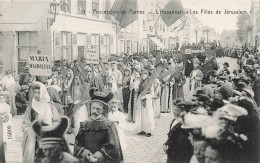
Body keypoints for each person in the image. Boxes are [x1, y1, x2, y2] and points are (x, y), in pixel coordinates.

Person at [74, 88, 123, 163]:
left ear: (103, 110)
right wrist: (86, 153)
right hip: (87, 160)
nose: (95, 111)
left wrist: (99, 154)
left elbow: (112, 145)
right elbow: (78, 143)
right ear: (90, 107)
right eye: (93, 108)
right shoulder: (84, 124)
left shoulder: (108, 125)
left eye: (98, 109)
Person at [22, 82, 60, 163]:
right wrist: (31, 132)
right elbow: (25, 122)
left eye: (38, 93)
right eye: (35, 92)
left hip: (47, 138)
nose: (36, 95)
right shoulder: (30, 107)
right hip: (33, 139)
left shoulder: (50, 107)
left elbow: (56, 121)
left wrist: (49, 130)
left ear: (43, 93)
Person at [135, 69, 155, 137]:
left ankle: (149, 130)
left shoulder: (150, 83)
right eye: (141, 75)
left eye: (144, 75)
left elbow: (152, 94)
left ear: (147, 75)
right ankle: (142, 129)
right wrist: (137, 90)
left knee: (148, 114)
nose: (142, 76)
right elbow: (139, 90)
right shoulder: (141, 82)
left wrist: (146, 96)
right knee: (141, 114)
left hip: (147, 100)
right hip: (140, 98)